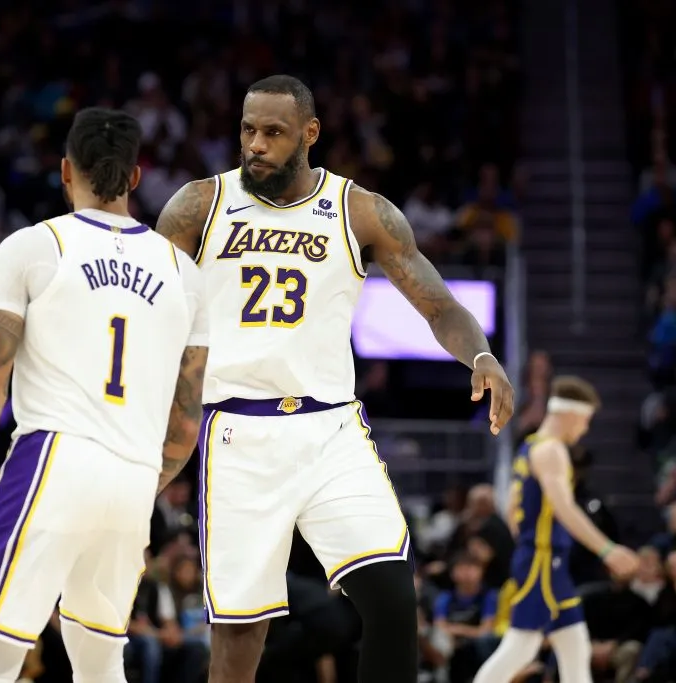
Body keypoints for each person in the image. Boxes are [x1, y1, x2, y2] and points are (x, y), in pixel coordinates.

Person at [154, 74, 516, 683]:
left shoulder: (359, 210)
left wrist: (480, 356)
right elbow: (147, 311)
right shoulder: (199, 204)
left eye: (274, 132)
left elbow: (440, 307)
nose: (257, 145)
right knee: (239, 645)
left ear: (309, 134)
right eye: (248, 130)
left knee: (395, 601)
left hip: (331, 430)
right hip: (238, 433)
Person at [0, 106, 209, 683]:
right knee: (100, 664)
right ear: (134, 178)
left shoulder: (33, 247)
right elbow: (187, 423)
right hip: (134, 477)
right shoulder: (185, 273)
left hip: (54, 459)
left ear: (64, 170)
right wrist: (132, 479)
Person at [472, 376, 640, 683]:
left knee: (575, 648)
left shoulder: (530, 446)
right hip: (543, 561)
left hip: (543, 560)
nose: (585, 429)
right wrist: (607, 549)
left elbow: (512, 507)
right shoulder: (552, 451)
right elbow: (564, 507)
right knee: (520, 649)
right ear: (571, 415)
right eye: (585, 420)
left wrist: (526, 542)